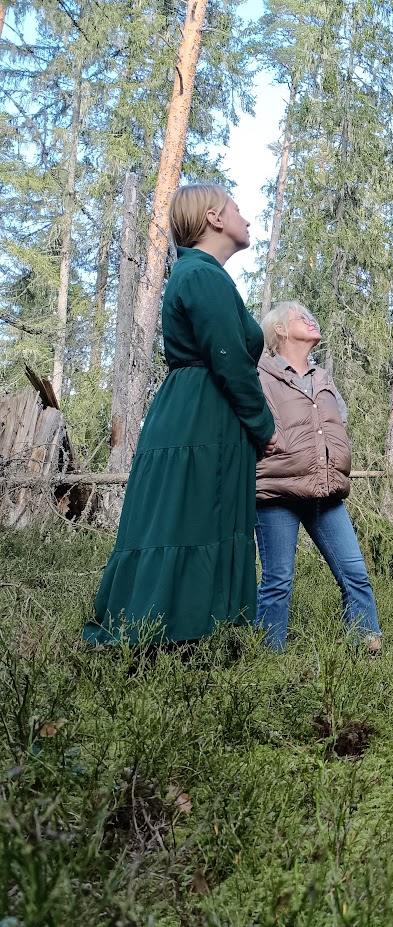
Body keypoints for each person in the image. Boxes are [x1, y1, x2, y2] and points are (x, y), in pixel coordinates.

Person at [87, 185, 276, 645]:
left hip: (199, 412)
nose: (245, 219)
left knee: (188, 518)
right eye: (236, 209)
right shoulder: (202, 275)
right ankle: (173, 634)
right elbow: (229, 357)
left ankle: (187, 632)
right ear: (213, 219)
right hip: (201, 416)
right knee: (186, 518)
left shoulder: (198, 274)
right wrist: (264, 426)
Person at [253, 300, 382, 653]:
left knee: (355, 573)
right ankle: (268, 659)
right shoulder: (260, 372)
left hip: (324, 490)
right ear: (279, 329)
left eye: (312, 317)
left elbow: (337, 419)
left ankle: (366, 644)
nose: (312, 321)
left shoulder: (322, 376)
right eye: (302, 317)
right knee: (278, 581)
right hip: (277, 490)